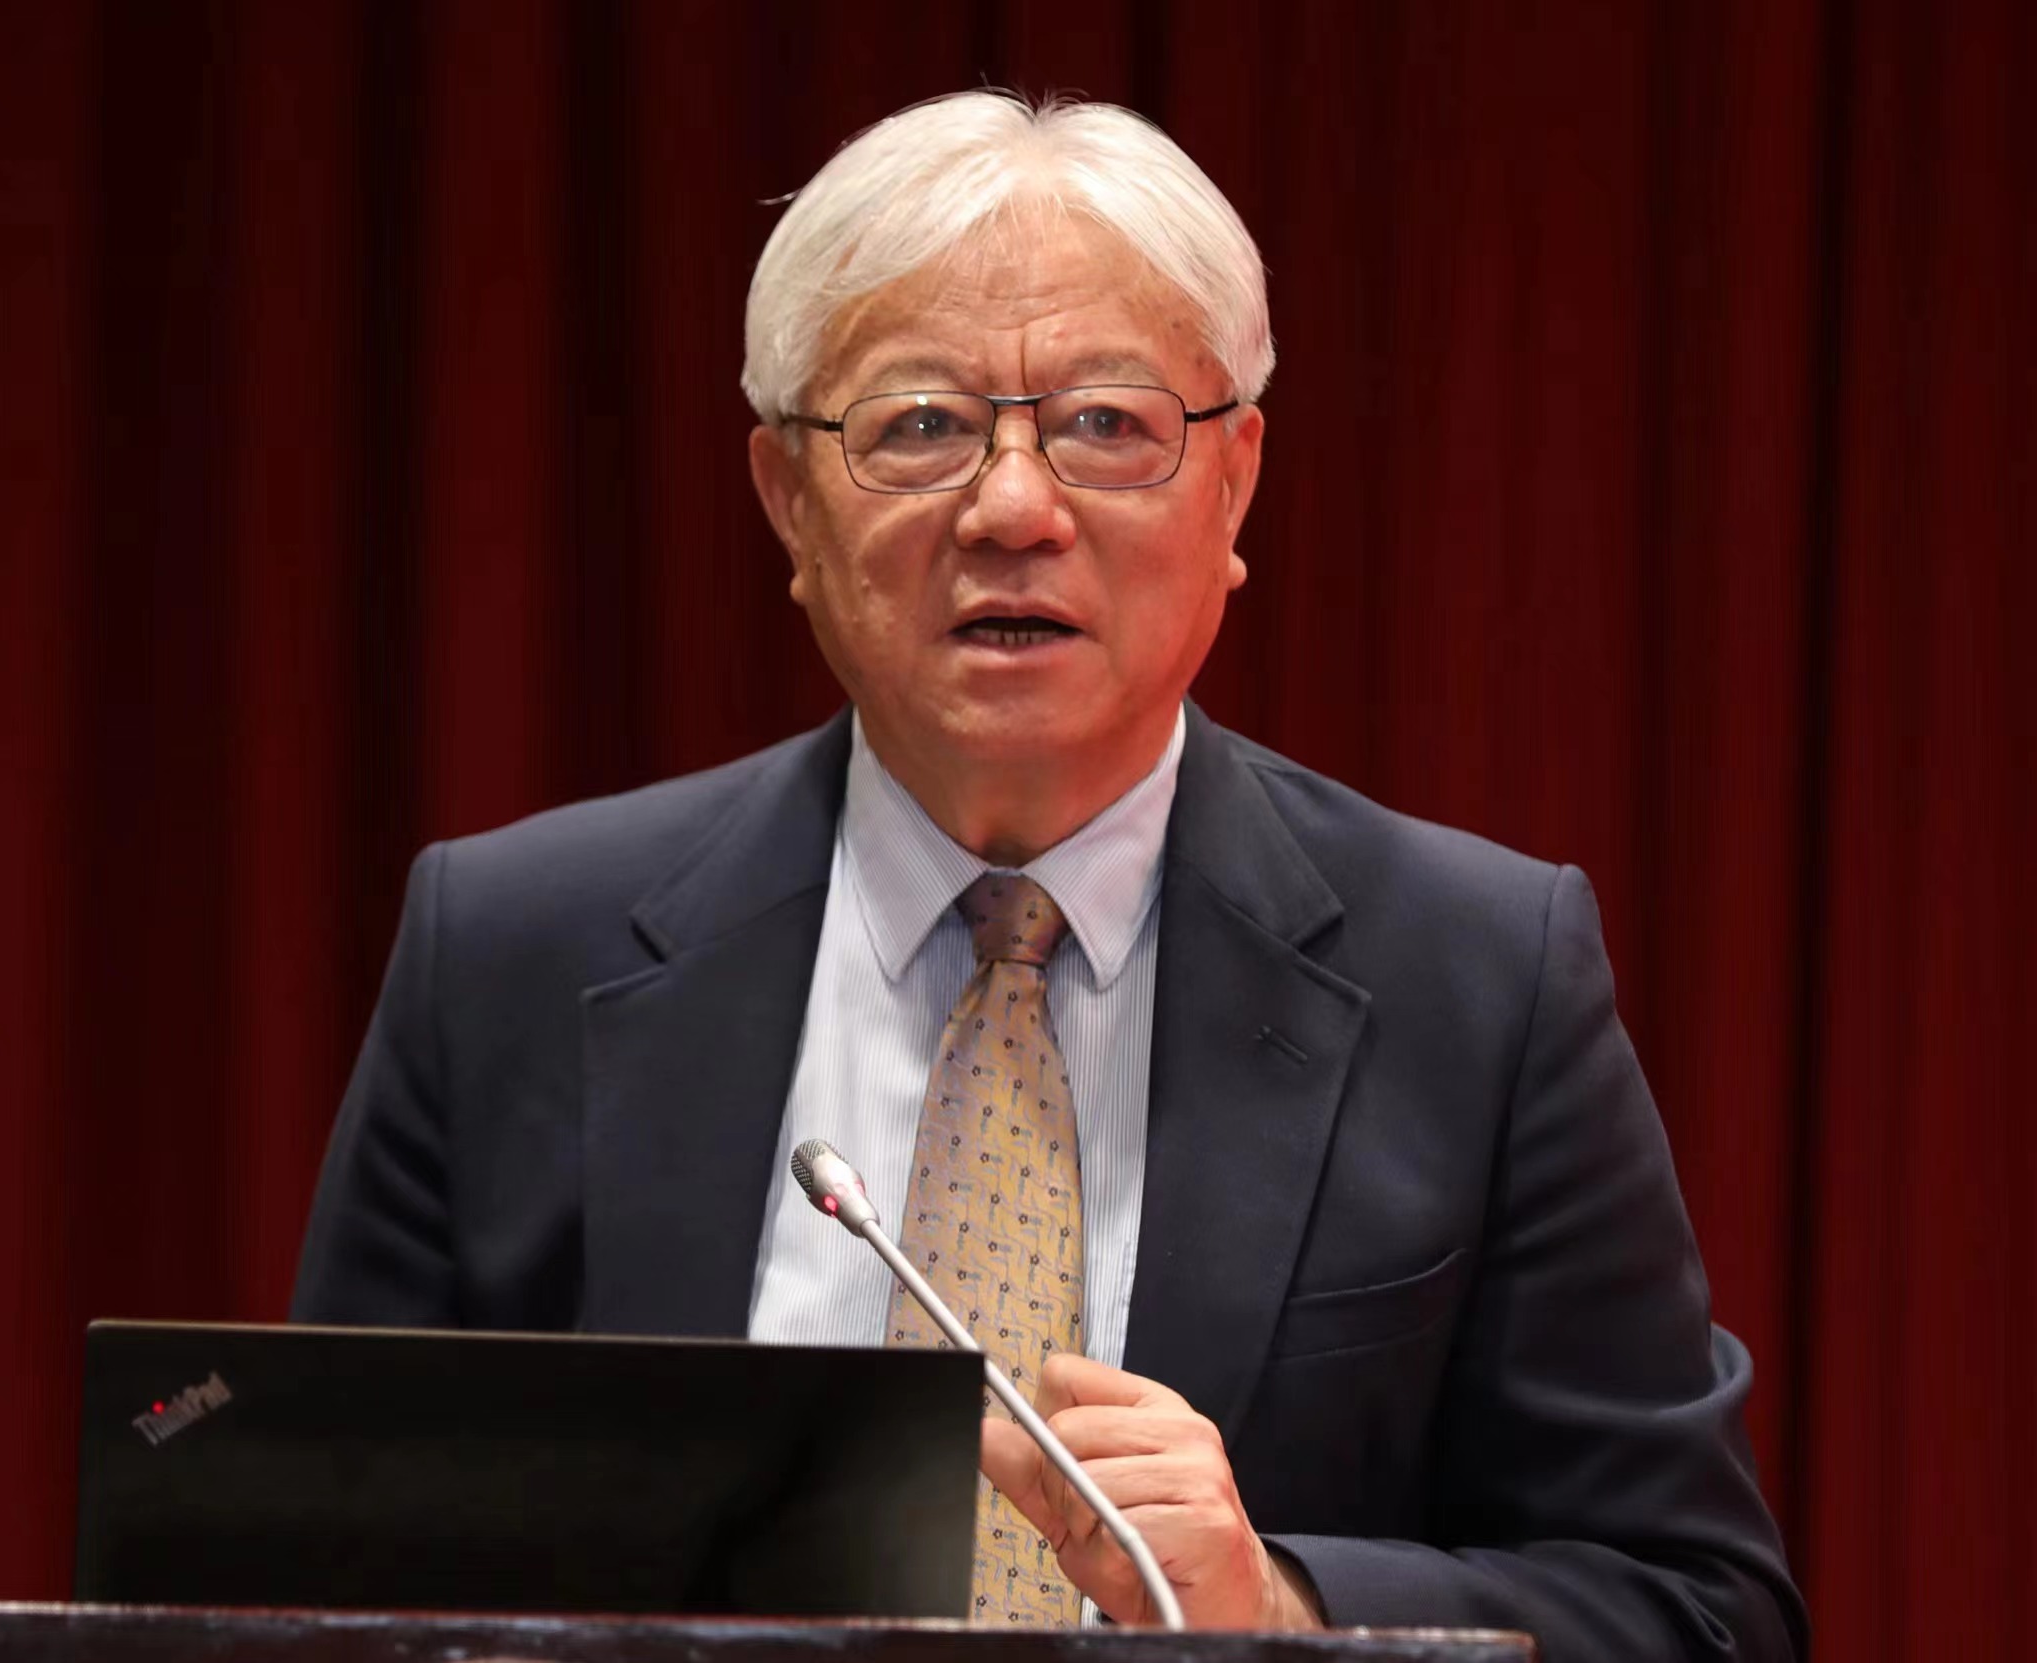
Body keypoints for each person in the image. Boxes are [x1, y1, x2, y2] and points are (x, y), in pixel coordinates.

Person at [293, 91, 1807, 1659]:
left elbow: (1701, 1614)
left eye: (1105, 425)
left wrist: (1278, 1608)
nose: (1011, 509)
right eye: (917, 426)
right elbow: (295, 1572)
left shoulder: (1479, 981)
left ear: (1232, 486)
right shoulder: (509, 953)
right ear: (787, 503)